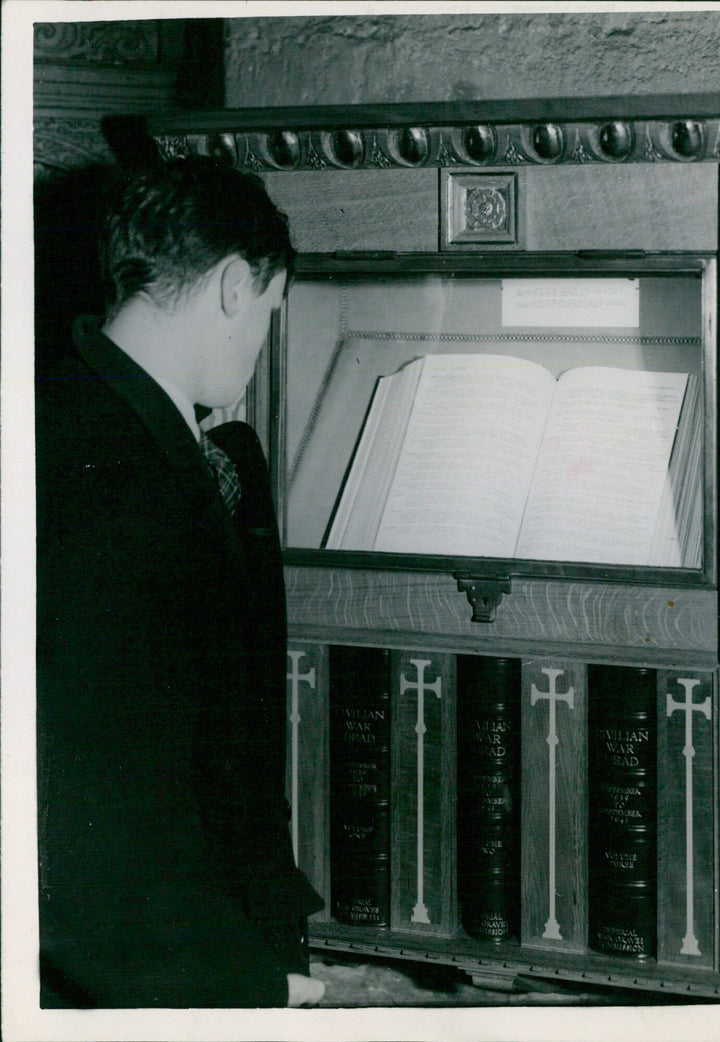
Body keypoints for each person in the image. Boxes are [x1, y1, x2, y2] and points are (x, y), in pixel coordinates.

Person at [35, 156, 325, 1008]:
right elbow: (107, 815)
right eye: (272, 311)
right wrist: (248, 984)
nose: (262, 338)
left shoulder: (72, 412)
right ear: (237, 286)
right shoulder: (126, 484)